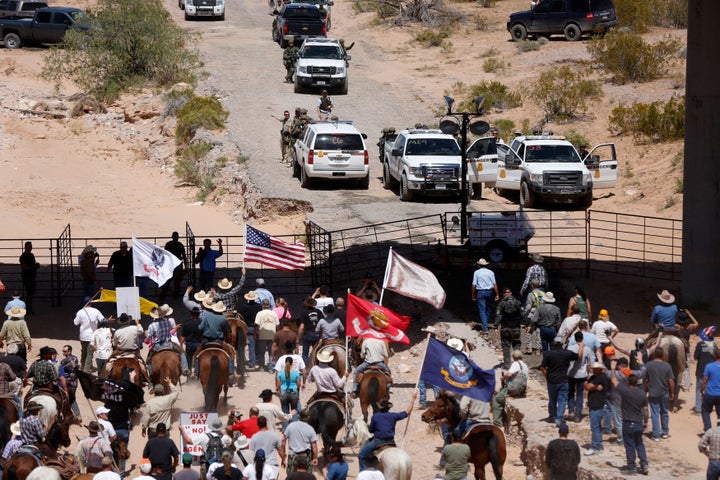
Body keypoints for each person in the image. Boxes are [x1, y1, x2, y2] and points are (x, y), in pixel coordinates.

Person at [358, 391, 417, 471]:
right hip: (391, 441)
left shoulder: (376, 416)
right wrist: (413, 399)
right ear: (388, 408)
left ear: (379, 407)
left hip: (378, 441)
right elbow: (408, 412)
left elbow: (371, 430)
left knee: (361, 455)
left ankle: (364, 473)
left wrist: (371, 429)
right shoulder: (393, 415)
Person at [609, 363, 649, 475]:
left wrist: (612, 368)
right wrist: (645, 422)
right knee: (639, 443)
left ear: (627, 382)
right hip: (638, 422)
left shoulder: (625, 390)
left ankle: (632, 467)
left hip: (628, 422)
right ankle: (644, 464)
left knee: (630, 445)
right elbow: (646, 410)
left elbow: (613, 380)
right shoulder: (642, 394)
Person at [541, 337, 583, 426]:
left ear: (554, 343)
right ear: (562, 344)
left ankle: (552, 416)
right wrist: (581, 346)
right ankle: (559, 419)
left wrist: (547, 377)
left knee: (552, 400)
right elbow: (579, 356)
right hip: (563, 380)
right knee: (562, 400)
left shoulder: (548, 354)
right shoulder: (567, 353)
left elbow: (542, 367)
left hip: (551, 381)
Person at [645, 346, 674, 440]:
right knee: (665, 412)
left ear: (654, 354)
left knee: (654, 413)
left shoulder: (648, 365)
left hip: (653, 392)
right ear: (662, 355)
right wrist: (672, 392)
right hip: (664, 392)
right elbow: (671, 381)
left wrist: (645, 389)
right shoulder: (667, 365)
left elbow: (645, 379)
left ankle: (656, 435)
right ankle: (665, 432)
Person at [492, 350, 528, 428]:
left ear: (513, 357)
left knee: (497, 399)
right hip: (521, 388)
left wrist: (502, 378)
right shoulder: (525, 365)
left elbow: (509, 374)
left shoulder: (515, 364)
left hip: (514, 388)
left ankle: (497, 423)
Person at [281, 408, 318, 475]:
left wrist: (284, 452)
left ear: (299, 416)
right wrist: (315, 458)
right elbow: (314, 446)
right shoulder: (310, 429)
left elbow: (283, 440)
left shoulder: (291, 426)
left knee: (290, 476)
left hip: (292, 455)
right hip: (305, 456)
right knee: (307, 476)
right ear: (308, 417)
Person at [583, 362, 608, 456]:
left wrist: (588, 385)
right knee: (598, 427)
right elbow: (587, 387)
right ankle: (599, 445)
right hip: (595, 404)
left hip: (597, 405)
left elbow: (588, 387)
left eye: (595, 368)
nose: (594, 370)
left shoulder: (600, 377)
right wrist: (591, 386)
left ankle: (595, 447)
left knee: (595, 428)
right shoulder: (594, 377)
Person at [73, 298, 104, 373]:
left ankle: (83, 366)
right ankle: (87, 370)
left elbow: (75, 323)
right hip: (92, 336)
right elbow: (103, 320)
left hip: (83, 336)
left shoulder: (80, 312)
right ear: (91, 303)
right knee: (89, 354)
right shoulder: (96, 311)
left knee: (84, 352)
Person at [495, 287, 523, 368]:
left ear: (503, 295)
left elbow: (498, 315)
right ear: (511, 293)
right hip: (516, 328)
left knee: (506, 346)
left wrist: (496, 326)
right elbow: (523, 313)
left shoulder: (501, 303)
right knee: (517, 345)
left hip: (505, 328)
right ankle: (518, 364)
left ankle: (507, 365)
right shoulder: (518, 302)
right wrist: (527, 324)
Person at [567, 331, 591, 423]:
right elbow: (588, 364)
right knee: (580, 394)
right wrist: (588, 374)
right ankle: (577, 415)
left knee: (571, 393)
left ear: (575, 338)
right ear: (582, 338)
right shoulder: (587, 349)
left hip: (571, 373)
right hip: (582, 374)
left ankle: (571, 411)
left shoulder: (570, 348)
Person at [471, 258, 499, 331]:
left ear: (479, 265)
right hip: (489, 291)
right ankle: (485, 322)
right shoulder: (491, 272)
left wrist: (473, 294)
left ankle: (484, 326)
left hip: (480, 292)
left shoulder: (476, 272)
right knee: (488, 308)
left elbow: (474, 285)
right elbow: (494, 284)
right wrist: (497, 294)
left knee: (482, 309)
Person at [696, 326, 718, 414]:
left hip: (701, 369)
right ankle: (708, 407)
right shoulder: (714, 345)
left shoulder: (699, 345)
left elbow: (695, 356)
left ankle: (698, 408)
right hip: (712, 370)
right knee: (709, 387)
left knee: (698, 388)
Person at [160, 231, 187, 302]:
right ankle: (163, 296)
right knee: (167, 282)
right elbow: (165, 255)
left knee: (177, 282)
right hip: (170, 266)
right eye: (174, 236)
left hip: (177, 266)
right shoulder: (169, 244)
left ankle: (174, 296)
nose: (175, 238)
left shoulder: (179, 245)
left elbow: (184, 256)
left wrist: (186, 266)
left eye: (176, 236)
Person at [239, 291, 262, 369]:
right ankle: (258, 359)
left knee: (251, 345)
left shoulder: (244, 307)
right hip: (257, 326)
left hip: (248, 326)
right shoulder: (259, 306)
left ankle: (252, 362)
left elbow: (241, 316)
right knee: (258, 344)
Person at [255, 299, 280, 371]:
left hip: (262, 335)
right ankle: (271, 367)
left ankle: (261, 366)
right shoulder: (274, 313)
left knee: (261, 352)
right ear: (269, 305)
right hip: (272, 335)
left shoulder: (259, 313)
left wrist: (255, 334)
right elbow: (277, 325)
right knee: (272, 352)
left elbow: (257, 325)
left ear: (262, 305)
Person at [277, 356, 302, 424]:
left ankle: (285, 427)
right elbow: (299, 385)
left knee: (285, 410)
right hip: (293, 392)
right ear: (292, 363)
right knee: (294, 409)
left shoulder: (281, 372)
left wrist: (279, 390)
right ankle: (295, 425)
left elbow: (278, 385)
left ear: (285, 362)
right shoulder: (296, 373)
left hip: (283, 392)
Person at [298, 297, 322, 365]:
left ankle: (305, 368)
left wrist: (298, 338)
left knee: (305, 352)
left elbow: (302, 326)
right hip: (316, 334)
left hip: (307, 334)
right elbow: (322, 323)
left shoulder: (304, 312)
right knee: (317, 352)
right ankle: (317, 365)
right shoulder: (318, 312)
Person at [522, 279, 544, 354]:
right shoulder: (543, 294)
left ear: (532, 285)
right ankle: (538, 349)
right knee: (538, 332)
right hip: (541, 315)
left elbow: (529, 306)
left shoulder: (531, 294)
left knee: (529, 331)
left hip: (532, 314)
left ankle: (529, 348)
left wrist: (525, 313)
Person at [702, 346, 720, 432]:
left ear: (714, 356)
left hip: (710, 393)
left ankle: (708, 429)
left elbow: (705, 380)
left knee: (705, 411)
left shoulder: (709, 366)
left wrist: (701, 391)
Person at [19, 241, 39, 315]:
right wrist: (33, 267)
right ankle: (28, 309)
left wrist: (36, 265)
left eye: (31, 246)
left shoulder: (31, 255)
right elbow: (23, 268)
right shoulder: (23, 257)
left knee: (31, 293)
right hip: (27, 277)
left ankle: (28, 308)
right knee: (30, 293)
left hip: (32, 277)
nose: (30, 248)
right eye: (29, 246)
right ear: (25, 247)